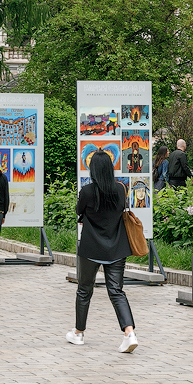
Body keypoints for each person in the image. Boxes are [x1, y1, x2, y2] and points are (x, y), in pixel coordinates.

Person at [68, 150, 138, 353]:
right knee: (116, 291)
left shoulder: (87, 191)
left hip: (91, 247)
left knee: (84, 290)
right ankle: (129, 333)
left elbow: (79, 211)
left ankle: (79, 333)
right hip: (117, 247)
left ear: (93, 169)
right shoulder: (120, 189)